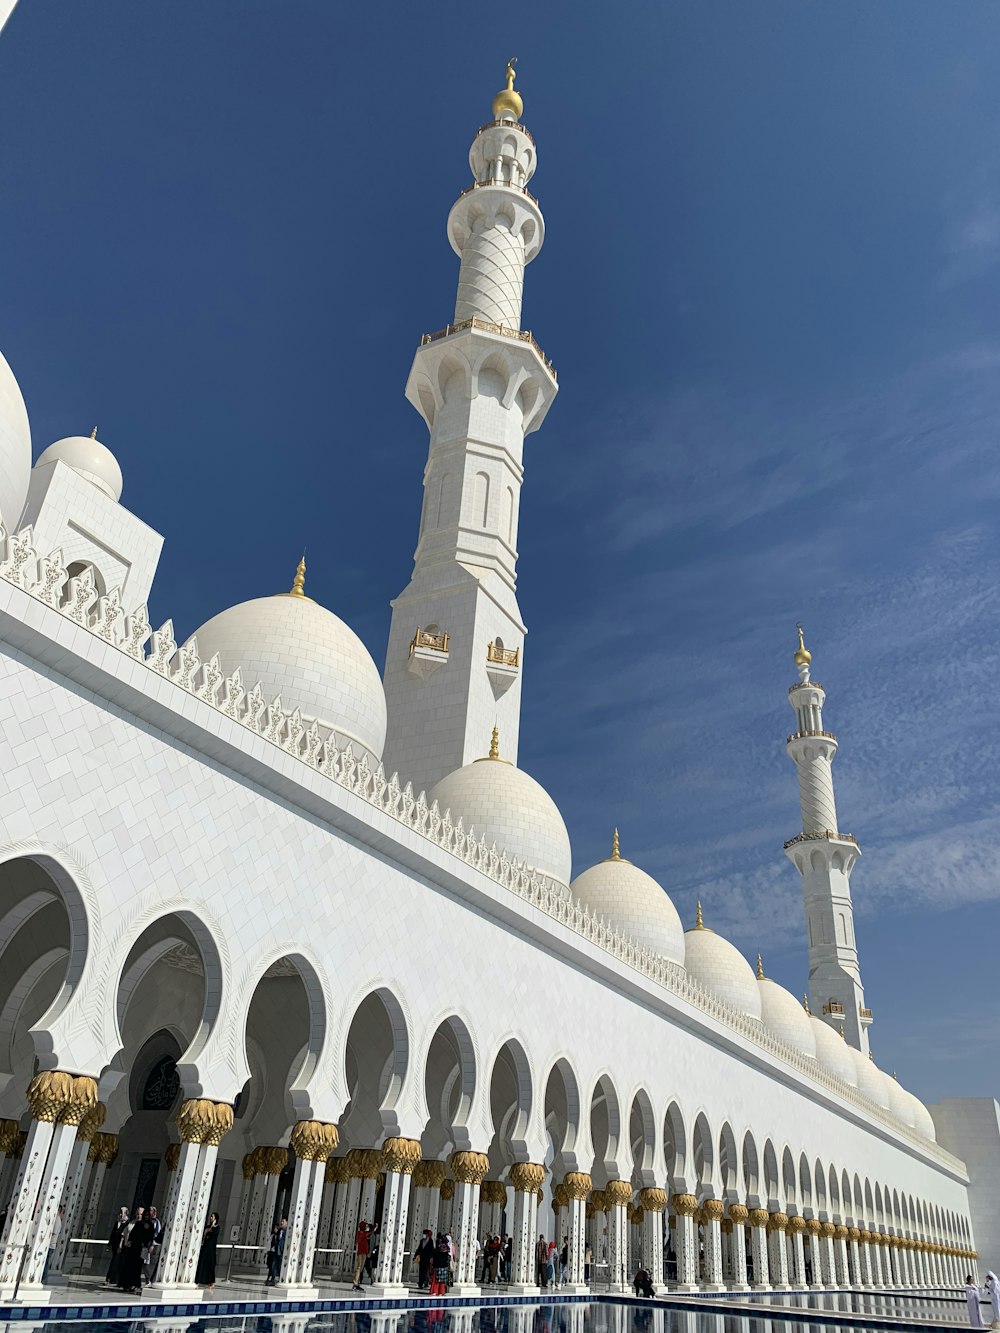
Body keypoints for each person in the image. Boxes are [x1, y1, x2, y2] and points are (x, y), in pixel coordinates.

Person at [118, 1206, 153, 1294]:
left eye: (147, 1215)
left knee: (138, 1267)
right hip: (134, 1248)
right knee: (130, 1265)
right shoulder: (138, 1224)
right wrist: (130, 1241)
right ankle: (127, 1284)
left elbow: (150, 1237)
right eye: (145, 1215)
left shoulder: (151, 1225)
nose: (145, 1216)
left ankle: (135, 1284)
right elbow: (132, 1234)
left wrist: (148, 1246)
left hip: (142, 1249)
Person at [195, 1211, 220, 1290]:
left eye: (212, 1217)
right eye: (211, 1216)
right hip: (205, 1248)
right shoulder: (207, 1227)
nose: (211, 1218)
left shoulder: (217, 1227)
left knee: (210, 1265)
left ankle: (210, 1281)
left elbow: (214, 1233)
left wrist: (212, 1226)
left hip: (211, 1250)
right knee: (202, 1263)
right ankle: (199, 1279)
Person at [105, 1207, 129, 1286]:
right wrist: (109, 1244)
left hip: (121, 1245)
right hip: (115, 1245)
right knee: (114, 1260)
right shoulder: (118, 1222)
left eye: (122, 1213)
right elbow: (113, 1233)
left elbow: (124, 1234)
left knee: (117, 1261)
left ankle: (114, 1278)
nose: (120, 1214)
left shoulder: (127, 1222)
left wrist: (121, 1244)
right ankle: (110, 1278)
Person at [42, 1205, 63, 1284]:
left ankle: (44, 1278)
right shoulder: (56, 1220)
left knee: (46, 1262)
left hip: (50, 1245)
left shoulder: (57, 1220)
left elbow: (53, 1232)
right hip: (50, 1245)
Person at [265, 1217, 287, 1285]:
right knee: (273, 1266)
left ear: (287, 1222)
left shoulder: (287, 1232)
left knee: (280, 1266)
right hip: (276, 1251)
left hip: (282, 1252)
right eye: (281, 1221)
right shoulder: (279, 1231)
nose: (282, 1223)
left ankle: (281, 1279)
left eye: (283, 1221)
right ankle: (272, 1279)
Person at [146, 1206, 163, 1282]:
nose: (150, 1212)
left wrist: (153, 1245)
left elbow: (157, 1234)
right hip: (145, 1244)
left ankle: (149, 1278)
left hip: (152, 1244)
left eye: (151, 1211)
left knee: (148, 1262)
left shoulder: (156, 1222)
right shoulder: (146, 1221)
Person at [352, 1219, 370, 1290]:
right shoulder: (360, 1233)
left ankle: (357, 1282)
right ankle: (355, 1282)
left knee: (361, 1268)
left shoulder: (363, 1234)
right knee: (359, 1267)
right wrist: (373, 1228)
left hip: (364, 1252)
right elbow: (369, 1233)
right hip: (361, 1252)